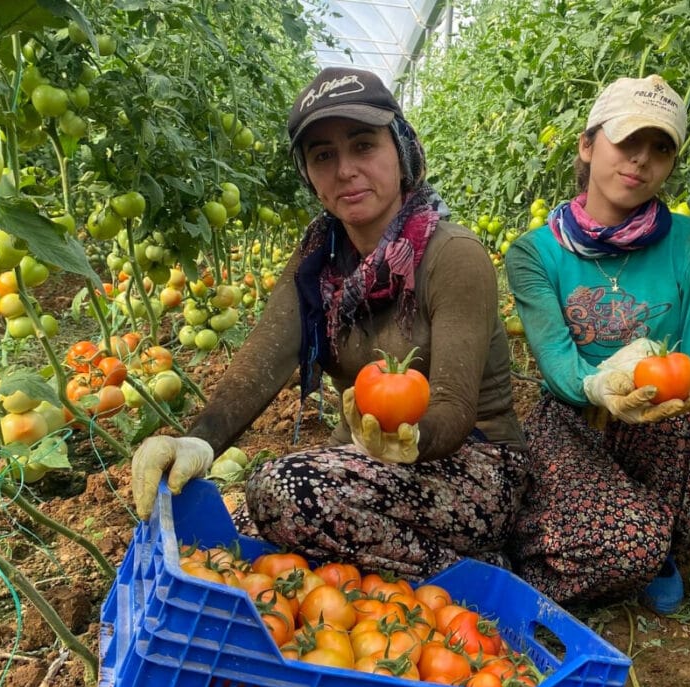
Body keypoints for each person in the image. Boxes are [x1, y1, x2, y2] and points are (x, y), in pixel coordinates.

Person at [130, 67, 528, 581]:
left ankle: (472, 575)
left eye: (363, 146)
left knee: (280, 493)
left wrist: (406, 440)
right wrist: (197, 441)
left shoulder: (453, 255)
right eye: (323, 156)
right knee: (249, 531)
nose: (345, 170)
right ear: (310, 179)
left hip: (475, 464)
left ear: (401, 152)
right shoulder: (318, 260)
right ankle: (396, 569)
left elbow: (451, 406)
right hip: (369, 461)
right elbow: (262, 362)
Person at [504, 74, 690, 611]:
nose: (641, 161)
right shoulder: (534, 253)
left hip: (665, 430)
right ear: (588, 144)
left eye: (659, 148)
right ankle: (596, 538)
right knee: (624, 551)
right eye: (627, 141)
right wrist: (605, 389)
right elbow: (558, 363)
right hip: (573, 421)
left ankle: (663, 544)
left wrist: (663, 394)